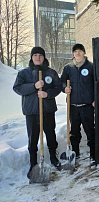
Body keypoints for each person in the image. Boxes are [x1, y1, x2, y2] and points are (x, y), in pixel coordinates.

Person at [13, 47, 62, 178]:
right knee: (33, 138)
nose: (38, 57)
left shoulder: (51, 72)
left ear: (44, 57)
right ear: (31, 57)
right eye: (35, 55)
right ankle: (33, 163)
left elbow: (58, 87)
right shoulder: (24, 73)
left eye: (40, 55)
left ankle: (53, 157)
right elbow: (17, 88)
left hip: (47, 110)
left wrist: (47, 93)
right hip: (32, 112)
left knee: (51, 135)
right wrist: (33, 86)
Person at [60, 43, 99, 166]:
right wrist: (64, 88)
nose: (77, 53)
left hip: (87, 105)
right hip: (73, 106)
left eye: (80, 51)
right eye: (75, 51)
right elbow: (62, 81)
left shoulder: (91, 67)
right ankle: (75, 154)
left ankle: (93, 156)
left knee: (90, 131)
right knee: (74, 132)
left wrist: (97, 99)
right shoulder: (68, 68)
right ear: (73, 54)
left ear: (84, 53)